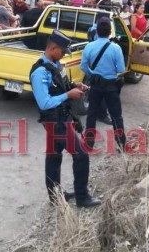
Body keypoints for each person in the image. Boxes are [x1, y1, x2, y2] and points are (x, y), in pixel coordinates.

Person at [29, 30, 101, 207]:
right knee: (81, 155)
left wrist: (74, 86)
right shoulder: (39, 72)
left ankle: (55, 197)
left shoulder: (55, 65)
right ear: (53, 48)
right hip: (55, 122)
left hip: (61, 118)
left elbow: (60, 86)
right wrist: (68, 95)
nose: (63, 55)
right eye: (62, 51)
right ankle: (82, 198)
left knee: (54, 156)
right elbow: (44, 102)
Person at [81, 18, 127, 151]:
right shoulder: (116, 48)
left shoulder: (89, 46)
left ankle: (89, 144)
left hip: (95, 86)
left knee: (91, 115)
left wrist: (92, 75)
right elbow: (121, 69)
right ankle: (121, 145)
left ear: (96, 31)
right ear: (110, 32)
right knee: (116, 116)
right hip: (111, 86)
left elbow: (83, 66)